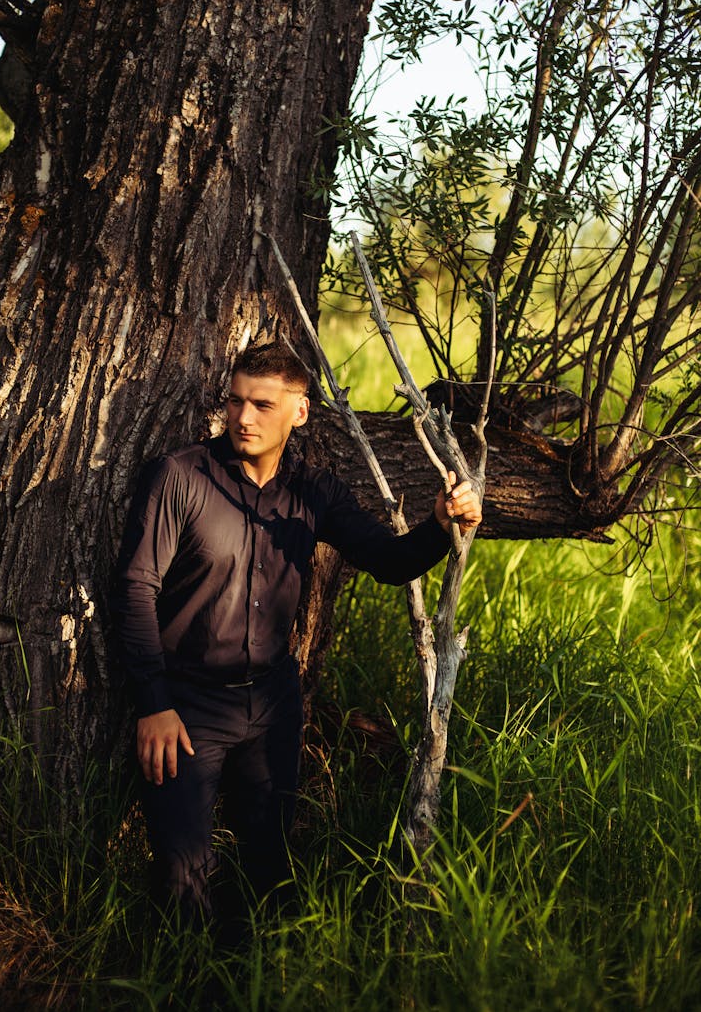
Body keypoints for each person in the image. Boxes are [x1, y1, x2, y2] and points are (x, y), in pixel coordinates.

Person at [112, 341, 482, 923]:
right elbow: (136, 587)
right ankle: (182, 980)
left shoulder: (315, 491)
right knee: (182, 876)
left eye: (262, 404)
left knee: (269, 871)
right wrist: (153, 704)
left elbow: (389, 561)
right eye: (235, 402)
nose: (243, 417)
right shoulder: (180, 477)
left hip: (272, 706)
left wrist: (441, 524)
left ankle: (253, 977)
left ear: (300, 411)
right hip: (187, 709)